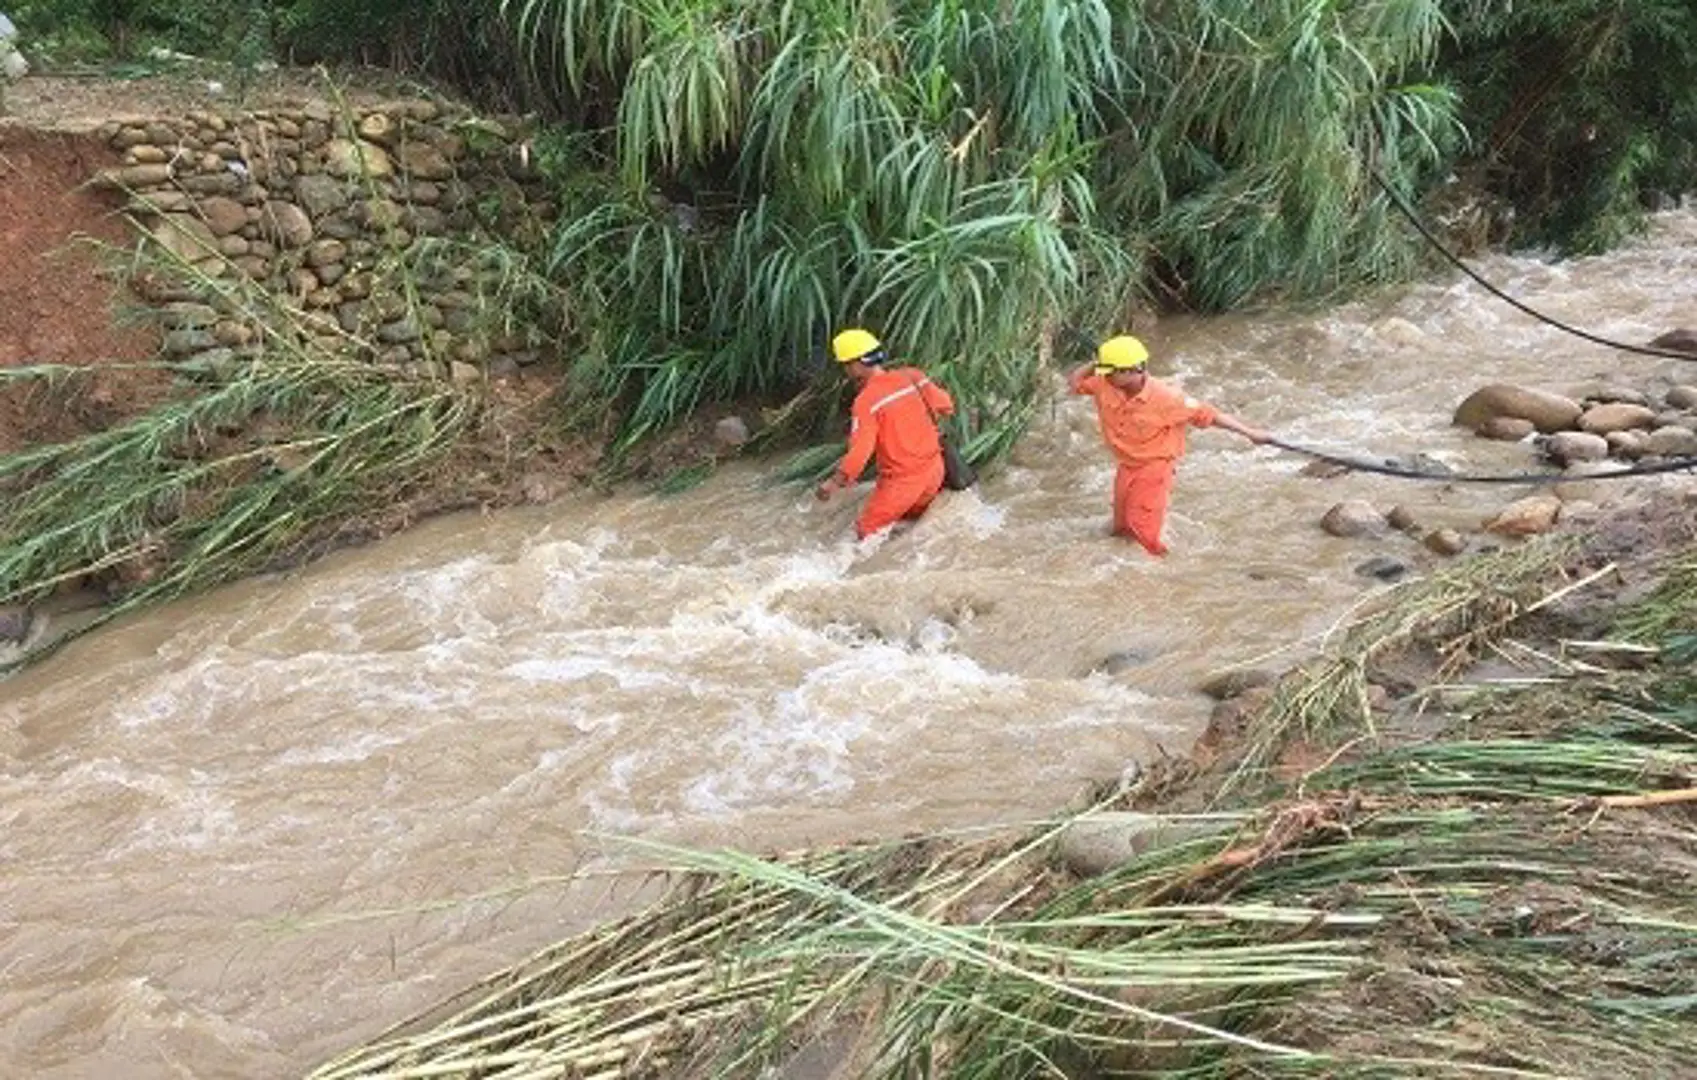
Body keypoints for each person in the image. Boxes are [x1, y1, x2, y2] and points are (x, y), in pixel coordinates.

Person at [1068, 334, 1270, 555]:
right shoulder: (1104, 383)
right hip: (1126, 464)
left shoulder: (1167, 398)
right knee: (1121, 528)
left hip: (1155, 467)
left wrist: (1250, 433)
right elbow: (1075, 383)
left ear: (1130, 371)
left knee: (1144, 535)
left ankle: (1157, 570)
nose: (1103, 376)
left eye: (1109, 372)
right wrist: (1097, 363)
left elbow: (1210, 415)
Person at [815, 327, 956, 539]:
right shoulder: (913, 376)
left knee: (865, 534)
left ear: (856, 365)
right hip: (935, 472)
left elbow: (860, 453)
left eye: (845, 365)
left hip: (901, 483)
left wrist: (834, 483)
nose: (846, 371)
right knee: (913, 527)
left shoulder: (866, 401)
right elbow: (946, 406)